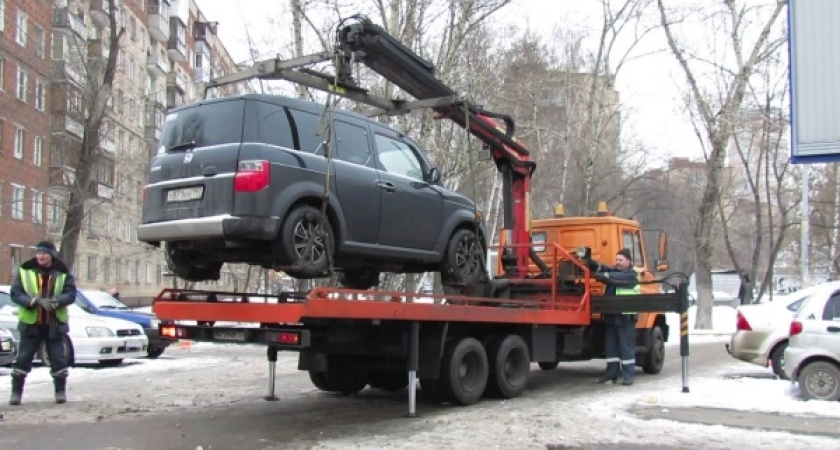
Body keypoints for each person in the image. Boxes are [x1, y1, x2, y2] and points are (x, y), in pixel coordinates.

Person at [8, 240, 78, 405]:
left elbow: (71, 293)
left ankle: (60, 392)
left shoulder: (62, 271)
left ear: (51, 255)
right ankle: (16, 394)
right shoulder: (25, 270)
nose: (40, 256)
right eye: (38, 253)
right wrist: (31, 301)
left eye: (44, 253)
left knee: (58, 360)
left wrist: (56, 301)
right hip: (31, 323)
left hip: (54, 323)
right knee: (23, 359)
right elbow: (15, 293)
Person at [586, 248, 640, 386]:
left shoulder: (631, 275)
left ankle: (628, 375)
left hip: (625, 317)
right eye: (616, 260)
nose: (618, 263)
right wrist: (592, 264)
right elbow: (607, 270)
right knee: (611, 347)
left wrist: (602, 275)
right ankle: (611, 374)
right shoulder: (614, 272)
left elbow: (614, 278)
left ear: (629, 261)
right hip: (611, 316)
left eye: (621, 260)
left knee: (626, 347)